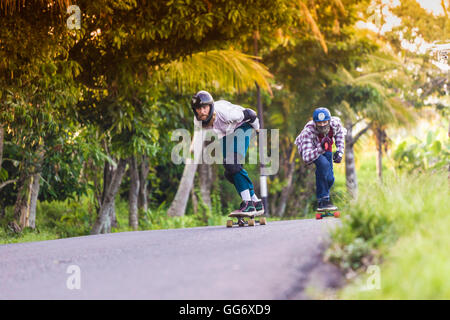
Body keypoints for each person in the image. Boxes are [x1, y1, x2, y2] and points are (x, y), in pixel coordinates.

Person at [191, 90, 264, 216]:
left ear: (210, 106)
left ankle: (248, 204)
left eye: (204, 107)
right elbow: (198, 135)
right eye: (198, 108)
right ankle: (255, 202)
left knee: (233, 164)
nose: (202, 111)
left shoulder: (226, 113)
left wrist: (258, 131)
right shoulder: (198, 120)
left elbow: (250, 114)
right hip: (225, 134)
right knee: (230, 172)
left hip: (242, 126)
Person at [294, 107, 346, 211]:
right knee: (323, 165)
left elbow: (340, 134)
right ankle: (324, 200)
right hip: (311, 149)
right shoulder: (308, 131)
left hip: (327, 147)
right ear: (314, 122)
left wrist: (340, 152)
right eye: (319, 123)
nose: (322, 125)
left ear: (329, 121)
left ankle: (321, 199)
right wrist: (320, 148)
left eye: (324, 122)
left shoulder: (335, 124)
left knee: (330, 178)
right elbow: (306, 157)